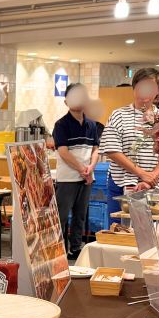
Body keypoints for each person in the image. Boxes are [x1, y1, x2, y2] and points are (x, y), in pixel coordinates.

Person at [100, 68, 159, 217]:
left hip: (154, 185)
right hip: (121, 183)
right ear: (134, 87)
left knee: (151, 228)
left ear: (158, 92)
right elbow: (112, 150)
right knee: (119, 227)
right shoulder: (118, 115)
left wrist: (152, 177)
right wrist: (142, 174)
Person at [52, 83, 99, 259]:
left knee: (80, 215)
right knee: (61, 216)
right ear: (66, 101)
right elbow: (63, 152)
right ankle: (57, 250)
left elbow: (96, 149)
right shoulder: (61, 125)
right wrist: (82, 169)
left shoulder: (92, 125)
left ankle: (76, 248)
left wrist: (91, 168)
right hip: (67, 178)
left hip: (86, 177)